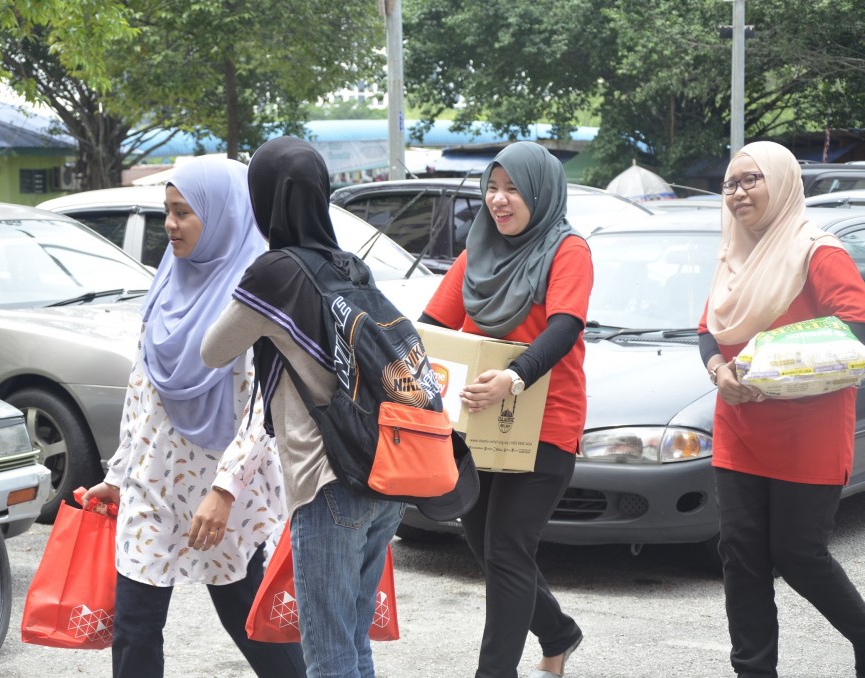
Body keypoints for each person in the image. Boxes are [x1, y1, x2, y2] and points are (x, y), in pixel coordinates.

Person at [81, 156, 306, 678]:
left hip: (221, 492)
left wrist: (225, 491)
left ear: (221, 215)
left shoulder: (250, 297)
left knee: (248, 621)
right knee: (133, 627)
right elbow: (144, 391)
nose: (170, 225)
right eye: (167, 211)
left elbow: (261, 413)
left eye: (183, 213)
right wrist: (118, 474)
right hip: (152, 486)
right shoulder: (167, 282)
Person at [201, 136, 405, 677]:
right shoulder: (351, 267)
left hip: (327, 485)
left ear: (264, 200)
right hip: (385, 473)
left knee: (327, 655)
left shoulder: (275, 274)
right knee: (353, 643)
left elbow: (212, 350)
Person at [418, 141, 590, 678]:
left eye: (513, 188)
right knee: (485, 545)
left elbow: (564, 328)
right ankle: (559, 631)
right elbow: (430, 327)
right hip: (475, 421)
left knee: (508, 549)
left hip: (545, 423)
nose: (499, 199)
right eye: (492, 188)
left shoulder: (568, 250)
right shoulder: (478, 254)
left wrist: (513, 378)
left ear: (540, 191)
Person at [699, 141, 865, 678]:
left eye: (751, 180)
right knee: (741, 560)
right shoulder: (733, 254)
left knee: (798, 555)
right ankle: (753, 671)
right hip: (739, 429)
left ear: (783, 182)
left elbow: (856, 327)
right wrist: (718, 371)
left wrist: (773, 364)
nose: (738, 192)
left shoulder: (818, 252)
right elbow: (708, 330)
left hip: (807, 434)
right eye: (730, 183)